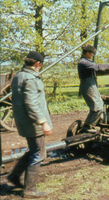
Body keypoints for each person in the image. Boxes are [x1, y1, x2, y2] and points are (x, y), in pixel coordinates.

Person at [8, 51, 53, 198]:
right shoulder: (31, 78)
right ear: (37, 64)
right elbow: (31, 104)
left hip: (23, 122)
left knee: (34, 150)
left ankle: (14, 176)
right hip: (33, 124)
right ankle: (30, 190)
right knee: (38, 154)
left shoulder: (19, 76)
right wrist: (43, 122)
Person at [78, 44, 109, 132]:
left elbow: (98, 67)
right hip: (88, 85)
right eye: (92, 53)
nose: (93, 54)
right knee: (97, 107)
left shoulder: (86, 61)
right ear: (87, 53)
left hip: (91, 84)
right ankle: (87, 126)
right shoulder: (83, 62)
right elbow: (98, 67)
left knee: (101, 105)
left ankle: (100, 123)